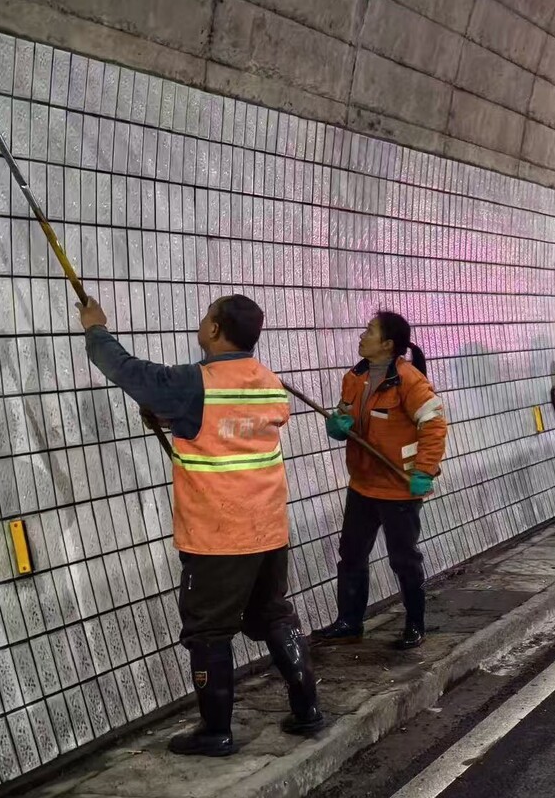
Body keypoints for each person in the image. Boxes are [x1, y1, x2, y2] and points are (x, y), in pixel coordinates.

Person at [78, 293, 323, 756]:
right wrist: (174, 417)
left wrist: (96, 328)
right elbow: (223, 427)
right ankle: (307, 707)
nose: (203, 320)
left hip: (218, 536)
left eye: (207, 315)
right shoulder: (269, 382)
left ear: (214, 330)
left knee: (207, 632)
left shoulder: (195, 384)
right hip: (269, 528)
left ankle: (216, 732)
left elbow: (128, 371)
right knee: (272, 613)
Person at [311, 311, 448, 651]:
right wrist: (338, 425)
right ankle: (349, 623)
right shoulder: (354, 377)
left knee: (403, 558)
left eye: (369, 331)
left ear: (387, 344)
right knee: (351, 554)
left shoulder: (409, 381)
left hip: (398, 488)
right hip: (362, 484)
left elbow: (434, 426)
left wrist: (424, 470)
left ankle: (415, 624)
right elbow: (345, 414)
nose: (362, 336)